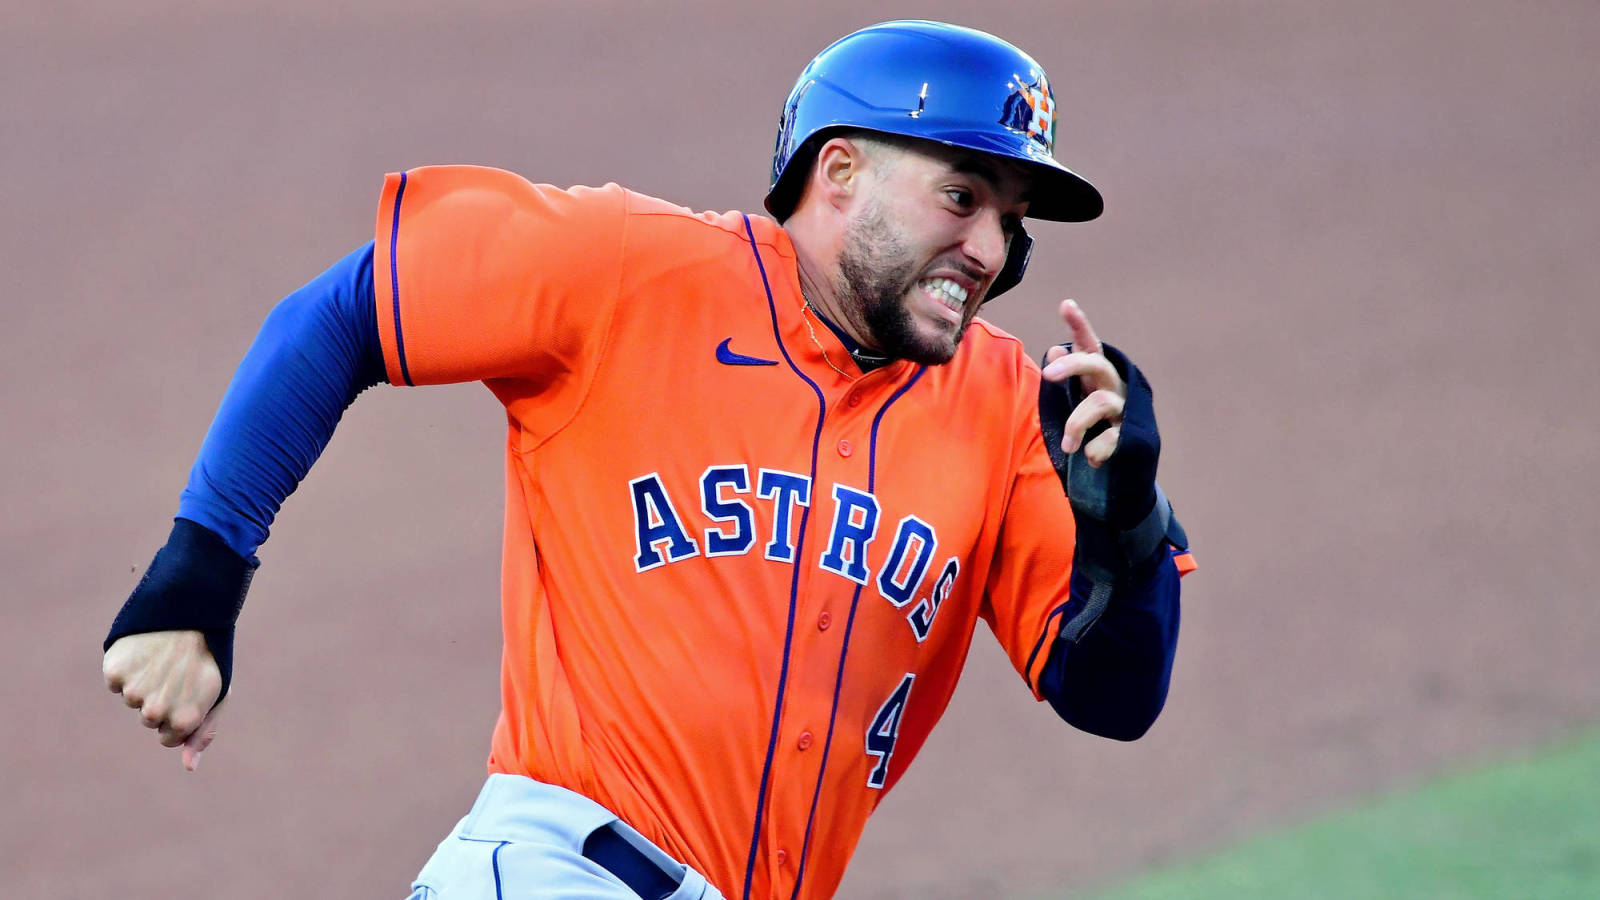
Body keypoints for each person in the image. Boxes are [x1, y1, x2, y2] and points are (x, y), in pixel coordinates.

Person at [102, 19, 1194, 900]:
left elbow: (1114, 698)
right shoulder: (632, 270)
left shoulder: (1010, 404)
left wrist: (1125, 525)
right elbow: (346, 311)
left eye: (1011, 220)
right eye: (961, 196)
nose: (990, 249)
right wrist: (198, 575)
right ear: (840, 170)